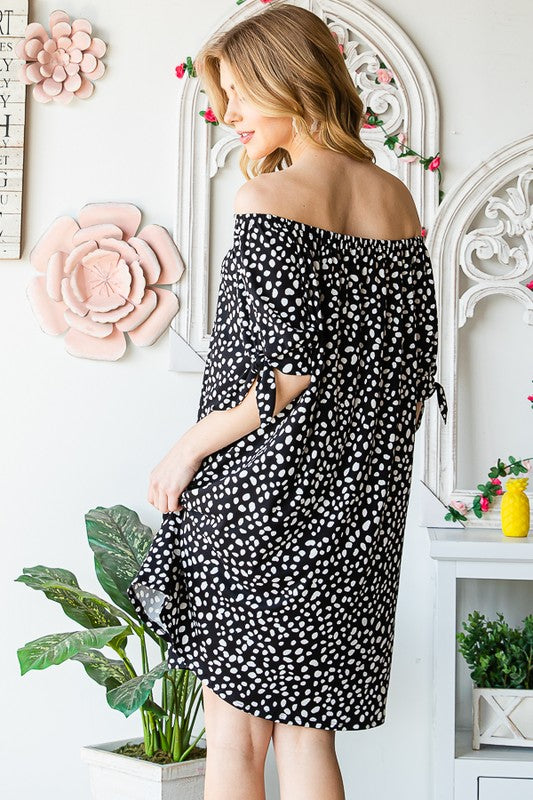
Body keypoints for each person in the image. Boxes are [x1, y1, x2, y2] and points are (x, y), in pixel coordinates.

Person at [127, 3, 447, 799]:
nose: (228, 113)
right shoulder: (397, 203)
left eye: (240, 93)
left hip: (256, 497)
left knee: (236, 741)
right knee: (307, 740)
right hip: (357, 510)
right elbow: (412, 379)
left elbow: (290, 372)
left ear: (291, 82)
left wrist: (186, 447)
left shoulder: (268, 200)